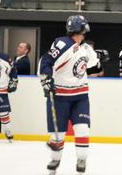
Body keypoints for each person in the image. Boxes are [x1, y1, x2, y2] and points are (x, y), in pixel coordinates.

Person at [39, 15, 100, 173]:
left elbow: (91, 62)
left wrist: (100, 57)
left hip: (80, 97)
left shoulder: (85, 47)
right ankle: (55, 159)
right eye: (83, 30)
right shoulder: (62, 44)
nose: (84, 34)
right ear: (80, 29)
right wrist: (46, 79)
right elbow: (45, 62)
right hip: (60, 97)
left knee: (82, 129)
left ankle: (81, 159)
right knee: (57, 133)